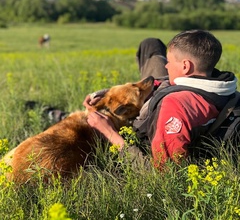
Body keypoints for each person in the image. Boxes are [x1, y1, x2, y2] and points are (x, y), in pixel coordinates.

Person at [83, 29, 238, 169]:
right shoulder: (224, 87)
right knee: (150, 44)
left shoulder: (175, 106)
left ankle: (60, 115)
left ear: (185, 66)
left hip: (145, 126)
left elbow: (163, 172)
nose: (166, 66)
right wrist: (109, 94)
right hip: (161, 97)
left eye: (169, 62)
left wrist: (109, 133)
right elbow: (164, 81)